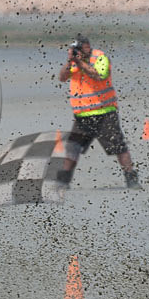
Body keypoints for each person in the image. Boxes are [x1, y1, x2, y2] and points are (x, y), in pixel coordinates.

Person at [57, 34, 140, 189]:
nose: (84, 50)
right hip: (82, 116)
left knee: (119, 147)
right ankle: (63, 182)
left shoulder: (100, 57)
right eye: (79, 49)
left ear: (88, 46)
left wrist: (80, 63)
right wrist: (70, 61)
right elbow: (62, 77)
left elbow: (99, 76)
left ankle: (131, 179)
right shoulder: (74, 61)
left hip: (104, 113)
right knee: (72, 148)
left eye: (85, 48)